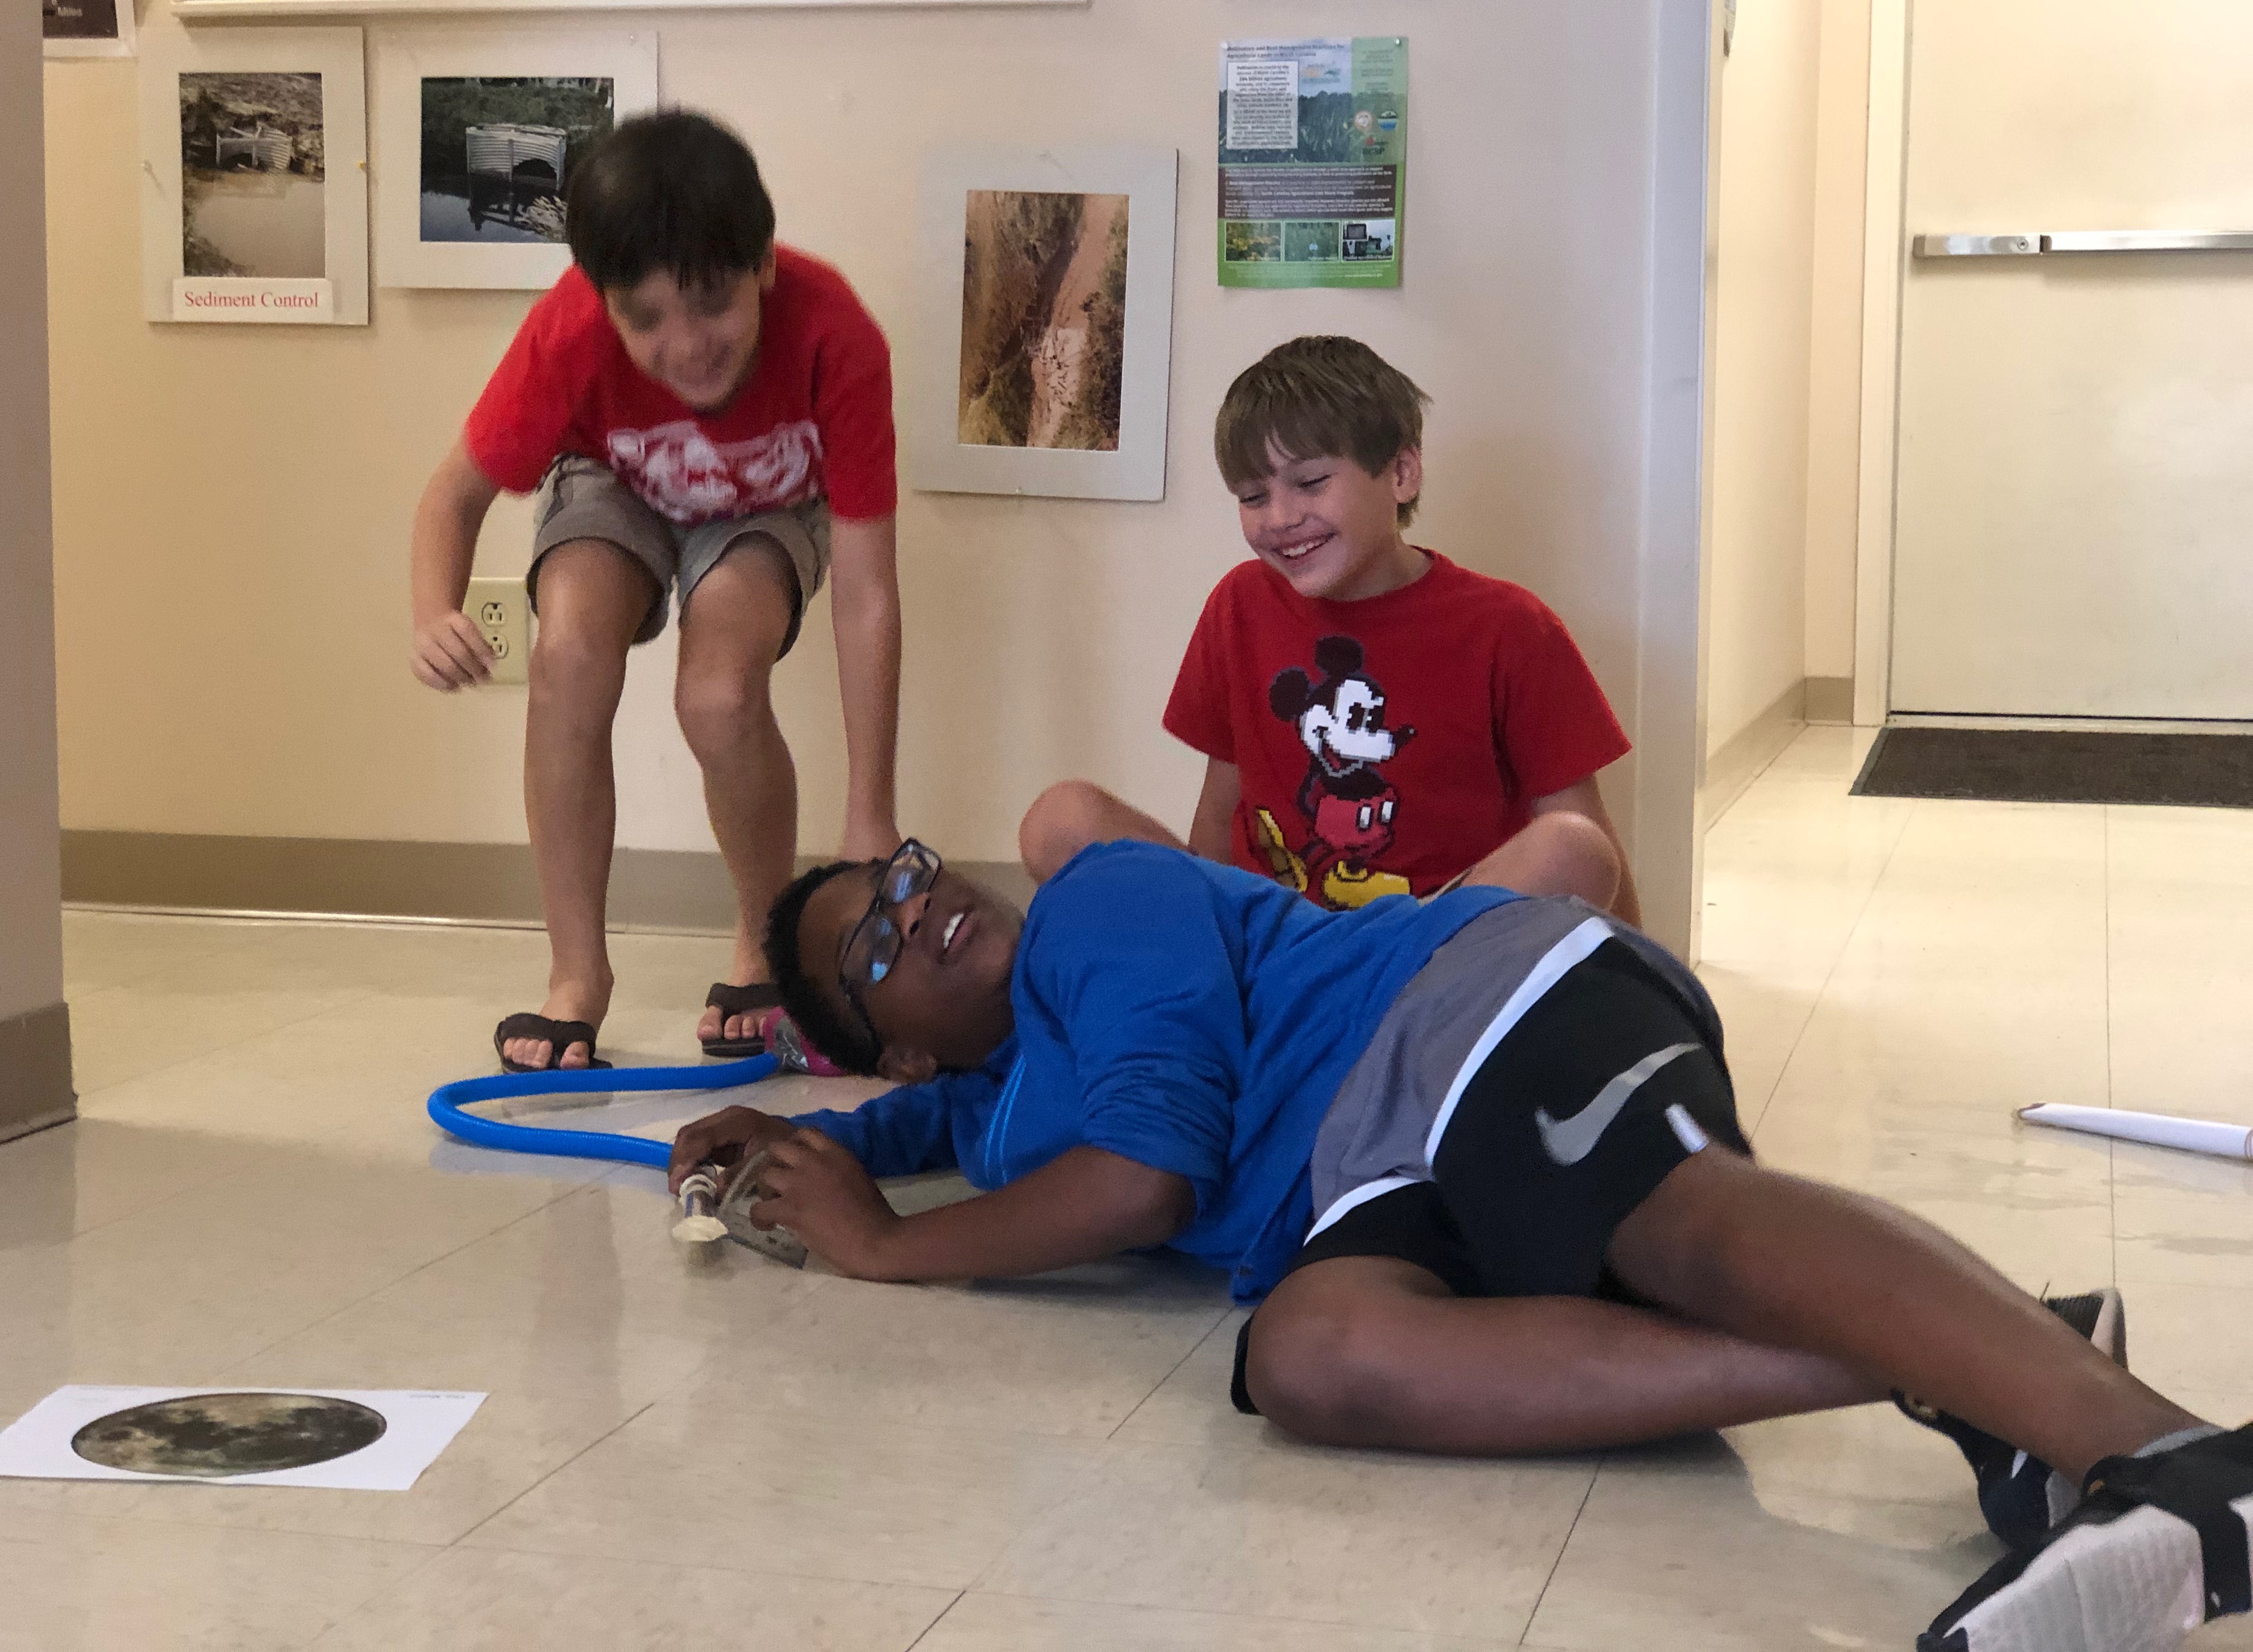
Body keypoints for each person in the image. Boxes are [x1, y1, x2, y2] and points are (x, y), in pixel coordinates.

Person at [669, 836, 2253, 1652]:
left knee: (1679, 1229)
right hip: (1371, 1173)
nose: (924, 905)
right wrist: (797, 1141)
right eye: (878, 939)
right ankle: (1991, 1350)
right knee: (1308, 1354)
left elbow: (1140, 1179)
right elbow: (943, 1132)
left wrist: (882, 1251)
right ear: (899, 1045)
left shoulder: (1097, 908)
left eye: (911, 874)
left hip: (1471, 1002)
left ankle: (2176, 1461)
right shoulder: (999, 1097)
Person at [409, 110, 901, 1072]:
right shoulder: (568, 330)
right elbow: (451, 494)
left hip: (764, 498)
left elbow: (869, 592)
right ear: (602, 300)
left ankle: (764, 944)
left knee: (717, 694)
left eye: (712, 303)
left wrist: (869, 813)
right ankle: (576, 975)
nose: (686, 346)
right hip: (613, 481)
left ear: (761, 264)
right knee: (568, 654)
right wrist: (433, 609)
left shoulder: (835, 328)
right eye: (646, 319)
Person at [1018, 336, 1638, 923]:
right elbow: (1221, 808)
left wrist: (1652, 994)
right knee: (1061, 821)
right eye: (1253, 496)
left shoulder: (1510, 628)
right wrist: (1209, 926)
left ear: (1401, 474)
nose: (1281, 517)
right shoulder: (1238, 605)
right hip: (1276, 938)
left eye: (1310, 483)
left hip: (1426, 949)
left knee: (1573, 849)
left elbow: (1588, 846)